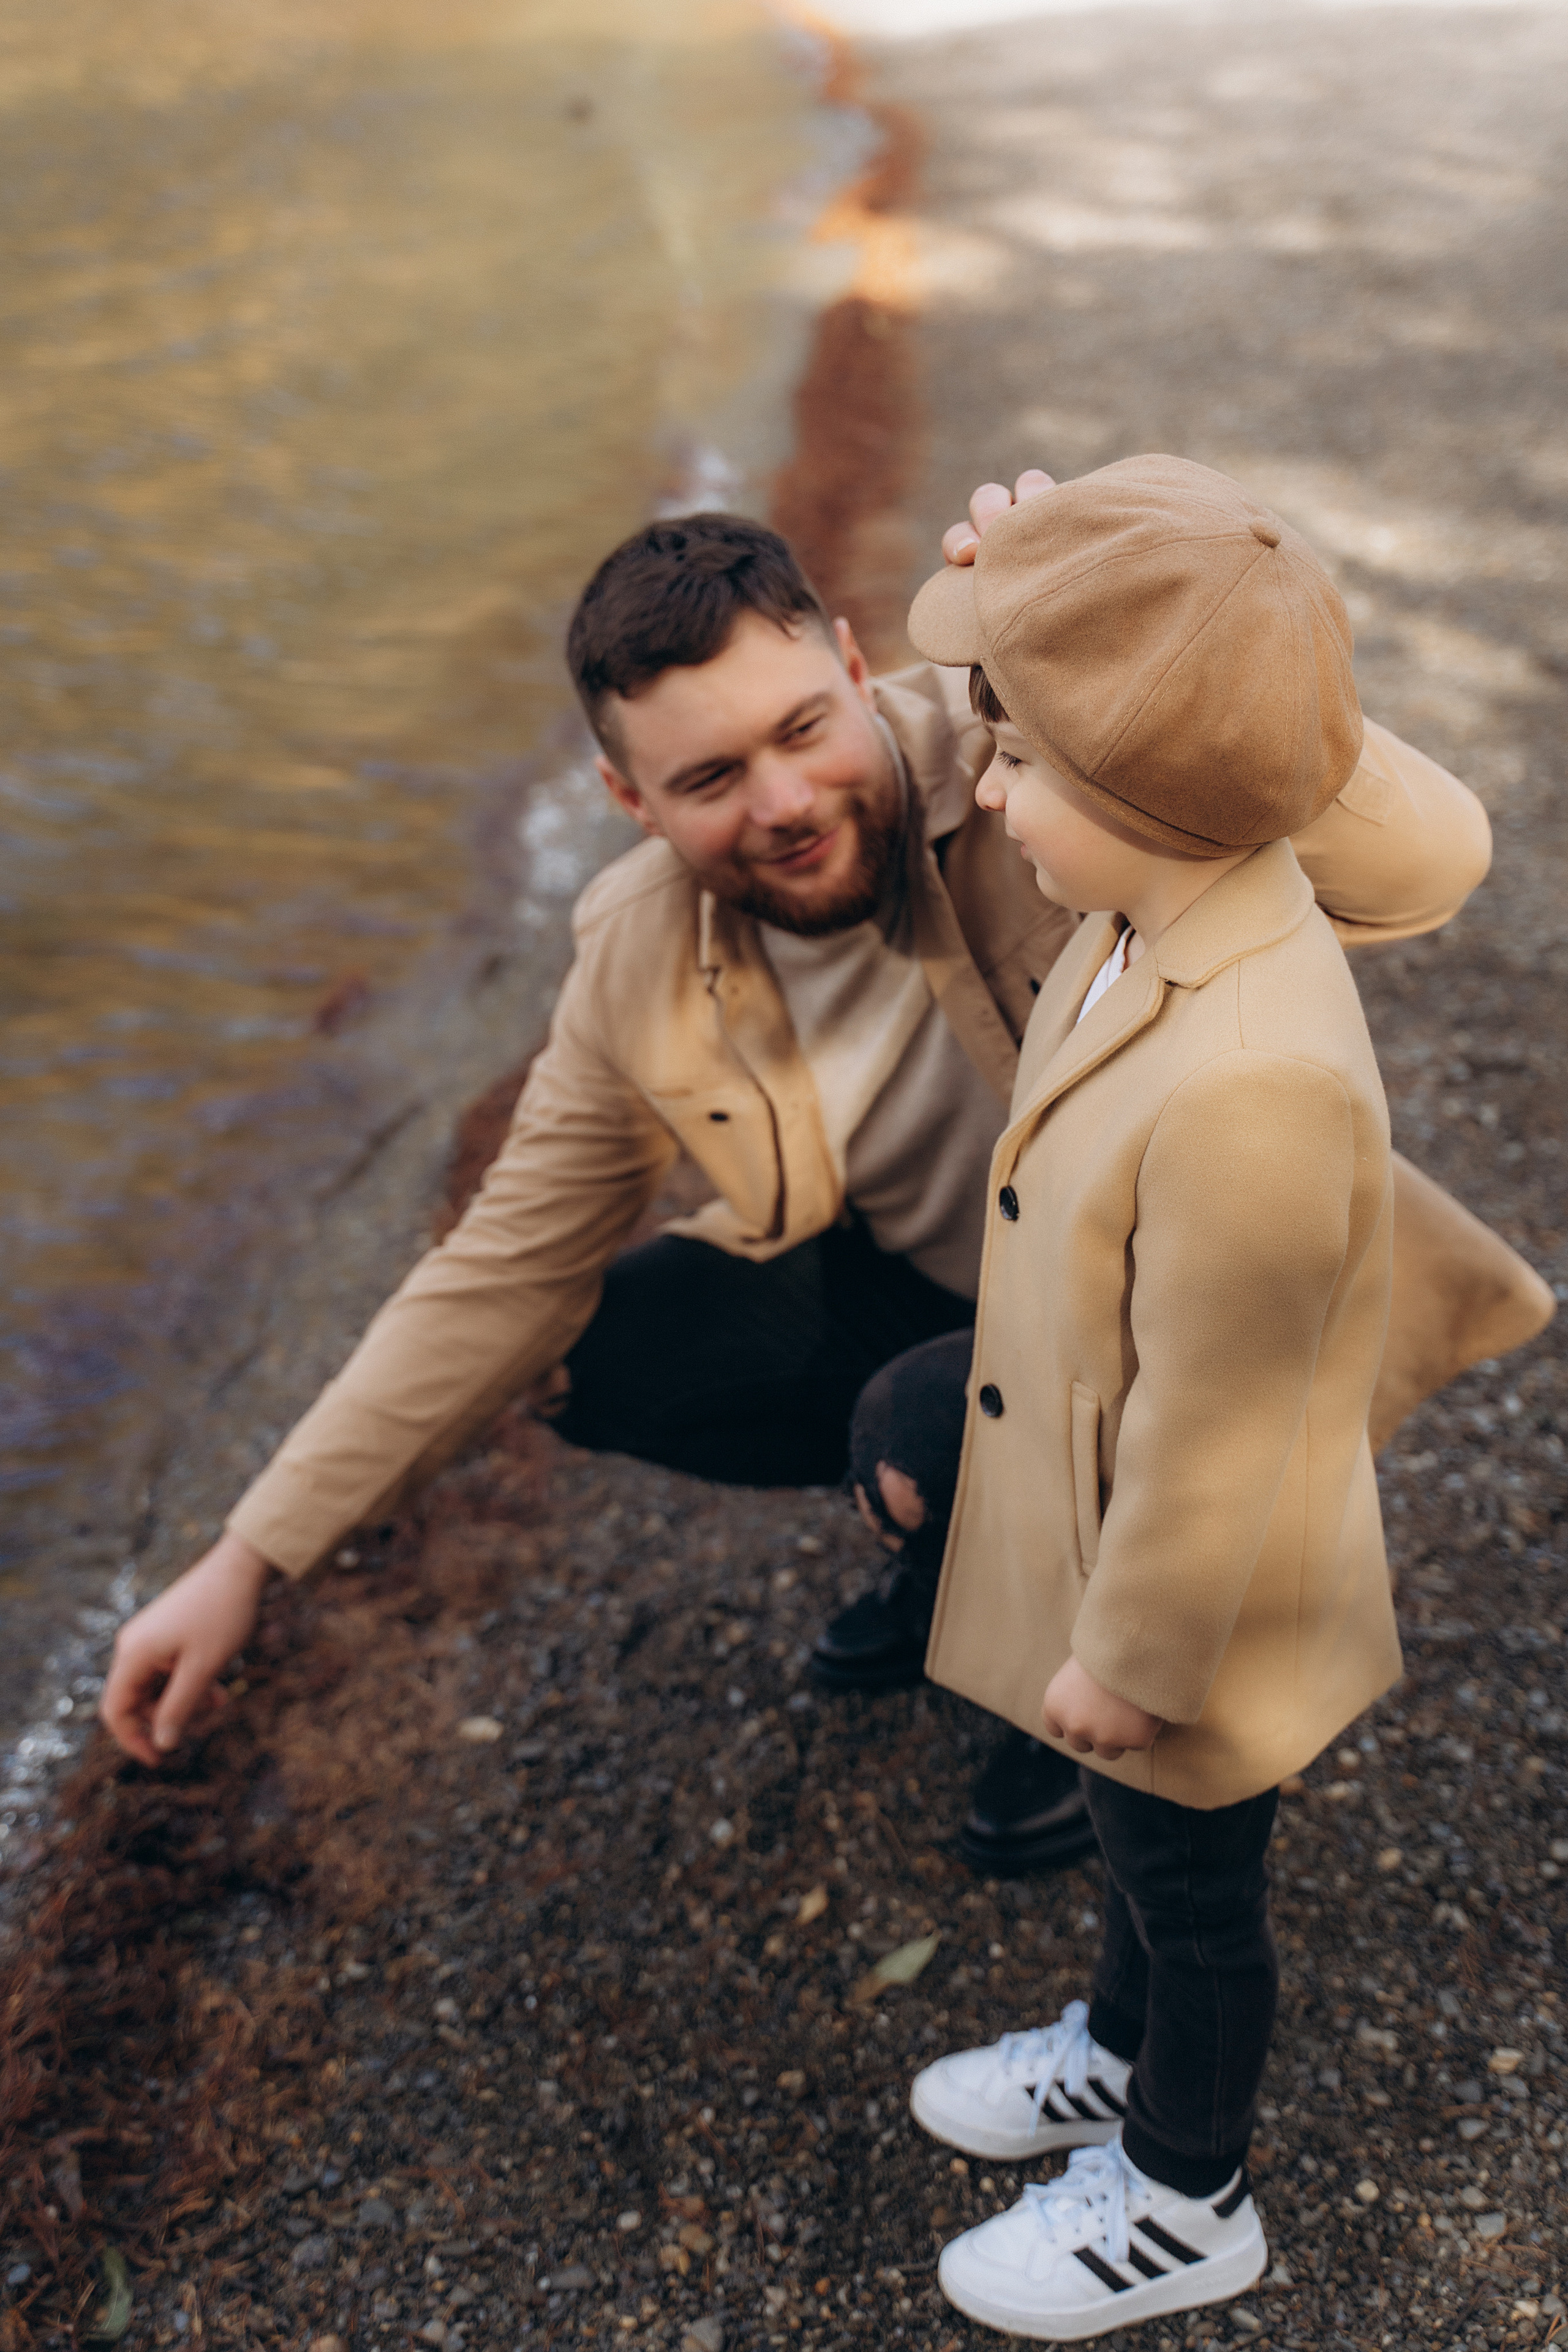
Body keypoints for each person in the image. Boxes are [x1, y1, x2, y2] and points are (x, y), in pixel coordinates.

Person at [99, 499, 1545, 1883]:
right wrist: (243, 1560)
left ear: (857, 667)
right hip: (935, 1283)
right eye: (711, 777)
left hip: (1168, 1329)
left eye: (801, 727)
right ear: (628, 799)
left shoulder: (1033, 761)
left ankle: (1067, 1669)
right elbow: (504, 1265)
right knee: (594, 1348)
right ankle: (947, 1547)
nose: (783, 803)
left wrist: (1134, 604)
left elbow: (1428, 869)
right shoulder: (634, 951)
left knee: (915, 1425)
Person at [892, 453, 1417, 2338]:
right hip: (1109, 1538)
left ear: (1143, 798)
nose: (995, 793)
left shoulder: (1257, 1065)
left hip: (1190, 1598)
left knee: (1199, 1901)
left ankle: (1189, 2196)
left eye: (1021, 758)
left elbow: (1225, 1417)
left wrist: (1136, 1657)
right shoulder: (1163, 915)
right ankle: (1112, 2055)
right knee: (1134, 1862)